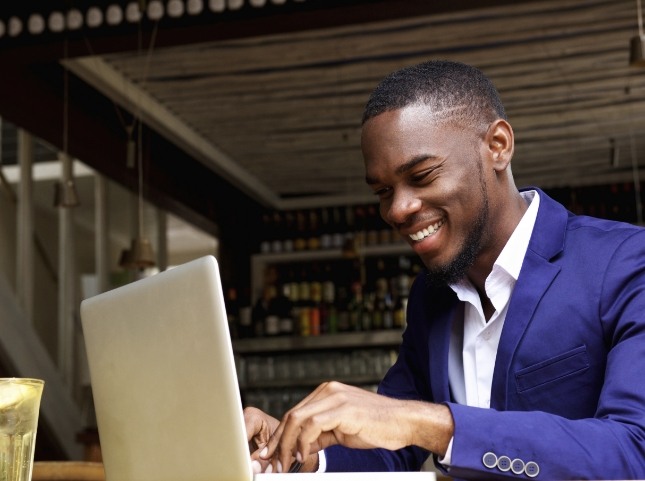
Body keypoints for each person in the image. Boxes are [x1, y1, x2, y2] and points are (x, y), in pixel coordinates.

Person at [244, 60, 645, 480]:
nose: (397, 210)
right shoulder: (430, 296)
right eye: (383, 191)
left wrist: (431, 424)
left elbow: (634, 451)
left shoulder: (625, 264)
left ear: (498, 146)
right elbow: (390, 449)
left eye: (421, 175)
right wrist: (299, 452)